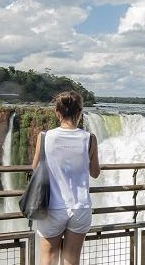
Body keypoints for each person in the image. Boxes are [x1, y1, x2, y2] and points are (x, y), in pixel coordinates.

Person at [31, 91, 101, 265]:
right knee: (71, 259)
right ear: (79, 113)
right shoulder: (90, 139)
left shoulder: (44, 137)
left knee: (48, 258)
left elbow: (35, 168)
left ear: (57, 112)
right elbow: (95, 172)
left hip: (52, 207)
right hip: (80, 207)